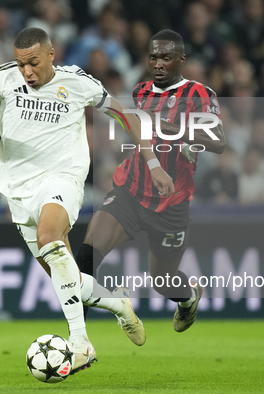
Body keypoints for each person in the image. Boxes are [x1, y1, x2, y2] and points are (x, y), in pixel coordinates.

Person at [0, 27, 174, 375]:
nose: (27, 72)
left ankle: (81, 344)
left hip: (62, 179)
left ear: (51, 54)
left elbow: (128, 116)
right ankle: (119, 304)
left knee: (50, 239)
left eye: (33, 63)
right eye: (22, 64)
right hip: (18, 192)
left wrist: (154, 164)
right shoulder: (3, 79)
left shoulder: (78, 83)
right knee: (67, 279)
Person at [76, 29, 226, 334]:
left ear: (181, 61)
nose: (157, 63)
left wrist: (170, 126)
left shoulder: (200, 94)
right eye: (153, 57)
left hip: (172, 203)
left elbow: (218, 140)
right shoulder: (141, 91)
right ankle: (77, 342)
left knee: (162, 282)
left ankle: (189, 297)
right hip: (130, 190)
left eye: (165, 58)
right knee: (85, 260)